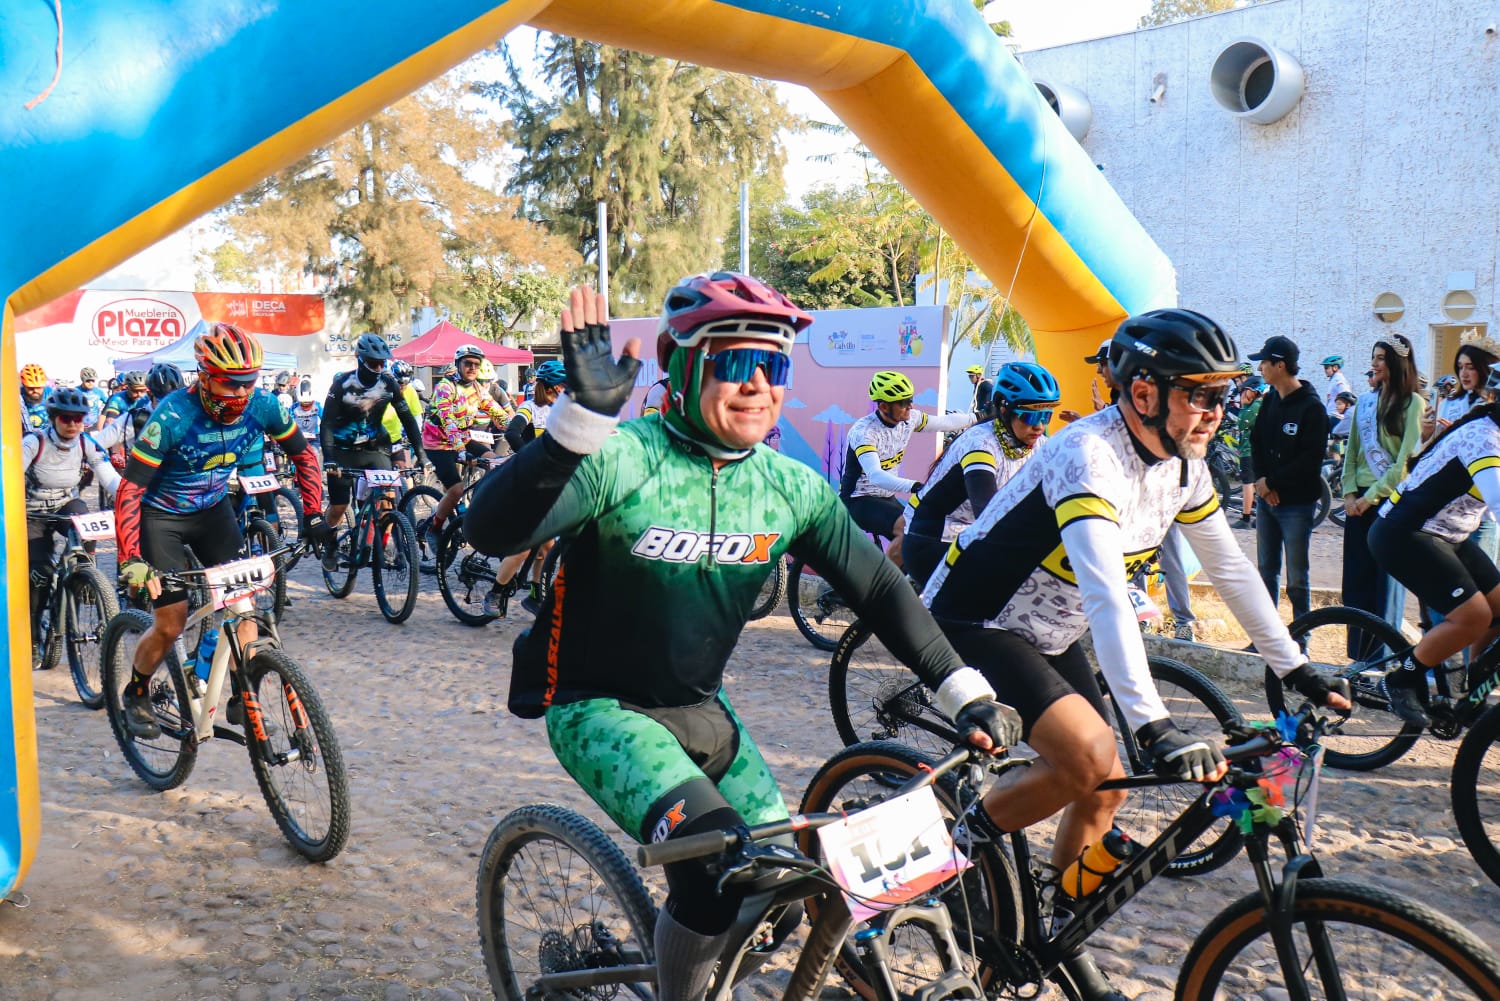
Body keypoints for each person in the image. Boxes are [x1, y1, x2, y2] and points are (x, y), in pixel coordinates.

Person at [463, 273, 1022, 1001]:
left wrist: (963, 690)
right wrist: (576, 426)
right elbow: (489, 529)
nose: (758, 383)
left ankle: (695, 962)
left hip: (703, 711)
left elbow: (881, 591)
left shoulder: (789, 487)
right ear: (681, 366)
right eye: (734, 362)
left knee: (780, 884)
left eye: (774, 365)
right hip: (600, 710)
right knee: (713, 878)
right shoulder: (625, 458)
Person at [920, 309, 1351, 997]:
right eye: (1200, 394)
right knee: (1088, 757)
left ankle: (1053, 931)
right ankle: (958, 848)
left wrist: (1296, 667)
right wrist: (1154, 724)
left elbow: (1232, 570)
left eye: (1223, 394)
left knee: (1107, 784)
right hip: (974, 619)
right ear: (1144, 393)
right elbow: (1106, 597)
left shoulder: (1185, 465)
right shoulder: (1088, 454)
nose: (1216, 411)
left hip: (1048, 630)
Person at [113, 323, 331, 738]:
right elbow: (130, 489)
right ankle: (137, 691)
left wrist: (315, 514)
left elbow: (304, 455)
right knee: (171, 623)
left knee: (243, 608)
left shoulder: (264, 405)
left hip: (214, 511)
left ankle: (241, 696)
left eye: (249, 381)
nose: (242, 392)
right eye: (231, 383)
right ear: (204, 375)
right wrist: (131, 558)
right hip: (162, 517)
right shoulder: (172, 415)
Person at [1369, 361, 1500, 725]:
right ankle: (1401, 680)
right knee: (1474, 617)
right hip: (1404, 534)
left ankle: (1471, 695)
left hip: (1447, 535)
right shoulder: (1484, 439)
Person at [902, 362, 1060, 588]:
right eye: (1031, 416)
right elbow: (989, 514)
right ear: (1004, 410)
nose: (1040, 426)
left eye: (1046, 416)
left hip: (971, 537)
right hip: (932, 539)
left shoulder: (1039, 445)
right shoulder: (981, 444)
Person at [840, 371, 973, 565]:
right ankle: (882, 581)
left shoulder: (910, 419)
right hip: (858, 500)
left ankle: (902, 578)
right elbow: (876, 475)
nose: (910, 405)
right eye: (903, 402)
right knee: (906, 529)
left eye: (911, 399)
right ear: (884, 406)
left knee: (919, 531)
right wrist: (914, 486)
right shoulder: (865, 432)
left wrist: (977, 417)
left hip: (885, 498)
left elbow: (945, 422)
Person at [24, 387, 120, 656]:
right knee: (40, 575)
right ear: (53, 418)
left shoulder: (85, 442)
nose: (73, 424)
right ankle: (33, 636)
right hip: (32, 512)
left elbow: (109, 477)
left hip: (65, 503)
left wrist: (131, 499)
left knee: (85, 521)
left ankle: (84, 572)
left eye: (78, 418)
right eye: (65, 418)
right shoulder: (34, 442)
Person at [1342, 333, 1425, 637]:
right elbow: (1351, 451)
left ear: (1396, 362)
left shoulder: (1413, 403)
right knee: (1357, 579)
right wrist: (1349, 493)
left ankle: (1385, 652)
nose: (1374, 364)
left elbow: (1405, 462)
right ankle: (1358, 653)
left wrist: (1372, 497)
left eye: (1381, 358)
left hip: (1390, 502)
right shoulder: (1364, 403)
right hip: (1358, 502)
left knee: (1385, 583)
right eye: (1373, 357)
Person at [1249, 335, 1330, 626]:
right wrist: (1261, 481)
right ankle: (1267, 637)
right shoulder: (1270, 400)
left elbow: (1309, 460)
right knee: (1266, 572)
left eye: (1264, 362)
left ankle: (1300, 637)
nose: (1260, 368)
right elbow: (1256, 441)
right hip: (1266, 500)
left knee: (1297, 578)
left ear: (1280, 365)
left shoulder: (1312, 408)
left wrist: (1272, 482)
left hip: (1296, 504)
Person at [319, 333, 426, 542]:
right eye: (372, 363)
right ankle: (328, 543)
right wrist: (329, 457)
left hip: (375, 448)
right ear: (359, 359)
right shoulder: (342, 383)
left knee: (387, 500)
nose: (378, 368)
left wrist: (421, 453)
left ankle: (380, 548)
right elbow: (327, 424)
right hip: (342, 450)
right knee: (339, 506)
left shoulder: (388, 383)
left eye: (381, 363)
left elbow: (407, 419)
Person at [419, 345, 508, 551]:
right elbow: (448, 420)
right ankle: (434, 528)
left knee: (495, 462)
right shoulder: (446, 386)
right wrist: (460, 450)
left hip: (463, 438)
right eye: (468, 363)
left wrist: (518, 429)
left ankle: (477, 505)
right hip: (438, 443)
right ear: (458, 364)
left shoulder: (477, 388)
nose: (472, 368)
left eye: (477, 364)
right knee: (456, 489)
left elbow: (498, 412)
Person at [504, 359, 566, 452]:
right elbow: (511, 433)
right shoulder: (529, 407)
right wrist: (527, 456)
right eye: (566, 386)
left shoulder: (564, 408)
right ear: (557, 388)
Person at [1235, 379, 1264, 524]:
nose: (1242, 394)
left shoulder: (1254, 407)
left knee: (1248, 483)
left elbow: (1241, 424)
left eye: (1244, 391)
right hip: (1256, 449)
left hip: (1249, 449)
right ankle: (1260, 518)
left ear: (1253, 391)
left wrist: (1244, 405)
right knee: (1257, 484)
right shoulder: (1260, 404)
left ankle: (1245, 518)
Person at [292, 379, 323, 447]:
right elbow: (287, 422)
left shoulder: (317, 406)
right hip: (298, 437)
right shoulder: (293, 408)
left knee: (314, 452)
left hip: (313, 438)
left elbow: (326, 420)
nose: (306, 405)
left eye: (309, 403)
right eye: (303, 403)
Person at [20, 363, 50, 431]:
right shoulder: (18, 396)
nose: (35, 391)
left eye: (39, 387)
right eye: (31, 388)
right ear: (24, 386)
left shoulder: (51, 395)